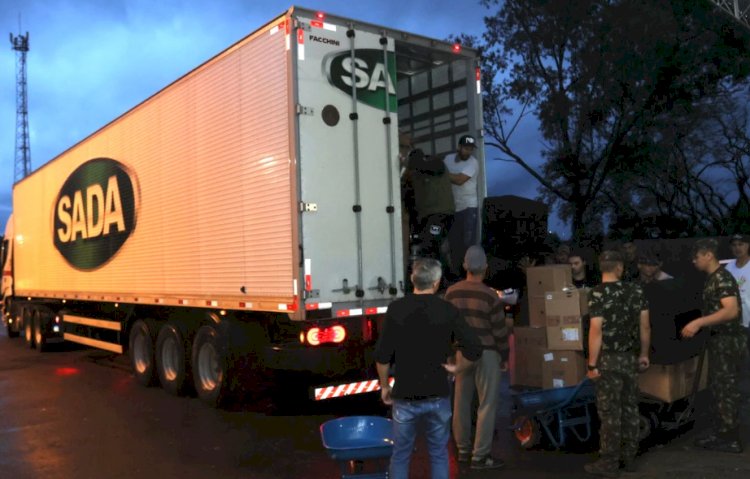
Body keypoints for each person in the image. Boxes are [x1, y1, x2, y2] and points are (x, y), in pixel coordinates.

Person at [375, 258, 482, 479]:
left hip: (405, 395)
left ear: (413, 280)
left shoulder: (396, 309)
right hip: (437, 394)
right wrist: (459, 368)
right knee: (439, 454)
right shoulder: (447, 310)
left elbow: (382, 356)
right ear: (436, 282)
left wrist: (385, 386)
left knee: (401, 455)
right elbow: (474, 347)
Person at [585, 250, 650, 477]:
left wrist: (592, 364)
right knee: (630, 408)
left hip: (609, 360)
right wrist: (643, 354)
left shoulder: (597, 293)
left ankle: (609, 462)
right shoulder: (636, 290)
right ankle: (629, 458)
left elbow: (596, 330)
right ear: (619, 267)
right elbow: (644, 326)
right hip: (630, 358)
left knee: (610, 412)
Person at [445, 246, 509, 471]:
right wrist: (504, 355)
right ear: (485, 268)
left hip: (462, 352)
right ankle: (480, 456)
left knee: (460, 403)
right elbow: (499, 330)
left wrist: (451, 353)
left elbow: (447, 327)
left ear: (464, 266)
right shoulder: (490, 295)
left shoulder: (452, 292)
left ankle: (462, 452)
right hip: (487, 353)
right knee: (487, 404)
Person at [682, 238, 745, 453]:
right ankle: (722, 430)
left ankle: (730, 437)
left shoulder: (722, 279)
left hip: (728, 341)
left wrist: (699, 322)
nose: (694, 261)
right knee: (719, 387)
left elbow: (731, 311)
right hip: (719, 341)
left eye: (697, 257)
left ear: (709, 255)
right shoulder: (713, 278)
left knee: (726, 388)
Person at [406, 149, 454, 264]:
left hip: (440, 214)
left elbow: (431, 168)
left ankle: (439, 279)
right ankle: (444, 276)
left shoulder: (436, 164)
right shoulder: (417, 174)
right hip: (426, 216)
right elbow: (411, 198)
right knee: (429, 246)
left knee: (431, 245)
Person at [444, 135, 480, 278]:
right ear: (459, 147)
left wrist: (442, 174)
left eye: (471, 149)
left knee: (468, 244)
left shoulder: (473, 163)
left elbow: (459, 180)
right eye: (466, 148)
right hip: (454, 208)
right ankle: (457, 277)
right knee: (454, 244)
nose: (468, 152)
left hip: (469, 208)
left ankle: (470, 277)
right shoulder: (448, 159)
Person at [725, 233, 750, 357]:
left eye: (741, 244)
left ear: (748, 245)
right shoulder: (728, 267)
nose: (737, 248)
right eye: (734, 245)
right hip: (734, 321)